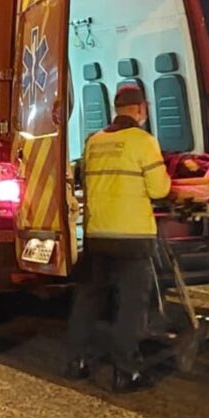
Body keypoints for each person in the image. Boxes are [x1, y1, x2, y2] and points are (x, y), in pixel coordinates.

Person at [65, 85, 173, 392]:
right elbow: (160, 189)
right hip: (133, 237)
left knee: (88, 299)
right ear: (140, 109)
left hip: (98, 233)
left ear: (116, 107)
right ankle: (125, 372)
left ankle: (75, 362)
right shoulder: (143, 141)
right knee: (130, 305)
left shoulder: (94, 142)